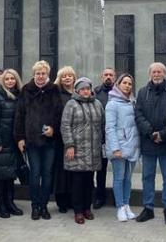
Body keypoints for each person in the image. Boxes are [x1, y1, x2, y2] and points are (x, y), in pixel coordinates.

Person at [15, 60, 64, 220]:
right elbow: (20, 115)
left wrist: (54, 129)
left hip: (49, 140)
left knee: (47, 174)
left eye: (43, 73)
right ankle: (35, 206)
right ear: (33, 74)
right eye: (38, 73)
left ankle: (44, 206)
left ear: (47, 74)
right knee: (35, 174)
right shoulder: (26, 90)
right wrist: (20, 137)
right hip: (31, 140)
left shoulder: (54, 90)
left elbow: (59, 113)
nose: (40, 76)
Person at [134, 62, 166, 226]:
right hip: (148, 142)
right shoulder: (142, 92)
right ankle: (148, 208)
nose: (156, 74)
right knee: (147, 177)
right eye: (154, 72)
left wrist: (162, 134)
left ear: (165, 74)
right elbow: (138, 114)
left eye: (160, 72)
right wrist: (150, 132)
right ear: (150, 74)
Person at [61, 77, 105, 225]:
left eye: (87, 88)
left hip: (93, 150)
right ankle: (78, 211)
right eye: (82, 89)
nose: (85, 91)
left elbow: (102, 125)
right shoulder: (71, 104)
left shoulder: (97, 104)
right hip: (77, 150)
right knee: (78, 183)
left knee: (89, 182)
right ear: (77, 90)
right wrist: (69, 145)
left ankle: (87, 208)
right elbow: (65, 126)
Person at [0, 69, 25, 218]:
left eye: (13, 79)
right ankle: (1, 205)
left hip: (14, 142)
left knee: (10, 175)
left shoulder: (19, 97)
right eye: (7, 79)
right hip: (2, 142)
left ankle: (10, 202)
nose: (10, 81)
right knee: (1, 175)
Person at [104, 73, 139, 222]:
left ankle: (126, 204)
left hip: (132, 146)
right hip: (119, 147)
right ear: (118, 85)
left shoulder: (132, 102)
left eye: (130, 84)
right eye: (124, 83)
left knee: (128, 179)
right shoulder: (112, 104)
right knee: (119, 177)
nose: (127, 86)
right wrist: (115, 148)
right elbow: (110, 128)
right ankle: (119, 207)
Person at [52, 66, 76, 213]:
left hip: (77, 138)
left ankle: (73, 199)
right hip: (60, 138)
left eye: (69, 76)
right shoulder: (56, 94)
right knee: (61, 171)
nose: (67, 78)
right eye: (64, 76)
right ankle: (62, 201)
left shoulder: (78, 93)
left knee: (74, 170)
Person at [92, 67, 115, 209]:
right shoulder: (95, 93)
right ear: (102, 77)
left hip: (115, 138)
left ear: (114, 77)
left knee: (119, 171)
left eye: (111, 75)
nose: (108, 77)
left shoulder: (120, 92)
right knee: (100, 170)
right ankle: (99, 197)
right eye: (105, 74)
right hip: (100, 139)